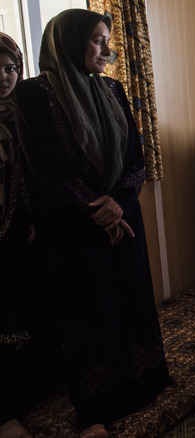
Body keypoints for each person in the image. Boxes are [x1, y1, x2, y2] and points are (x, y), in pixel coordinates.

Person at [14, 9, 173, 437]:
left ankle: (143, 383)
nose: (108, 50)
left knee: (130, 299)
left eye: (108, 40)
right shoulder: (33, 95)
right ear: (69, 41)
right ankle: (95, 409)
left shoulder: (113, 89)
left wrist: (119, 204)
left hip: (123, 219)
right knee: (86, 312)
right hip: (72, 226)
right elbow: (46, 169)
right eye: (98, 41)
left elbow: (135, 159)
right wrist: (96, 210)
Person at [0, 31, 55, 438]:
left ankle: (40, 388)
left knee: (36, 305)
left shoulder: (28, 111)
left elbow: (46, 172)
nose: (4, 76)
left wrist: (44, 217)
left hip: (32, 229)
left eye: (10, 68)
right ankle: (5, 414)